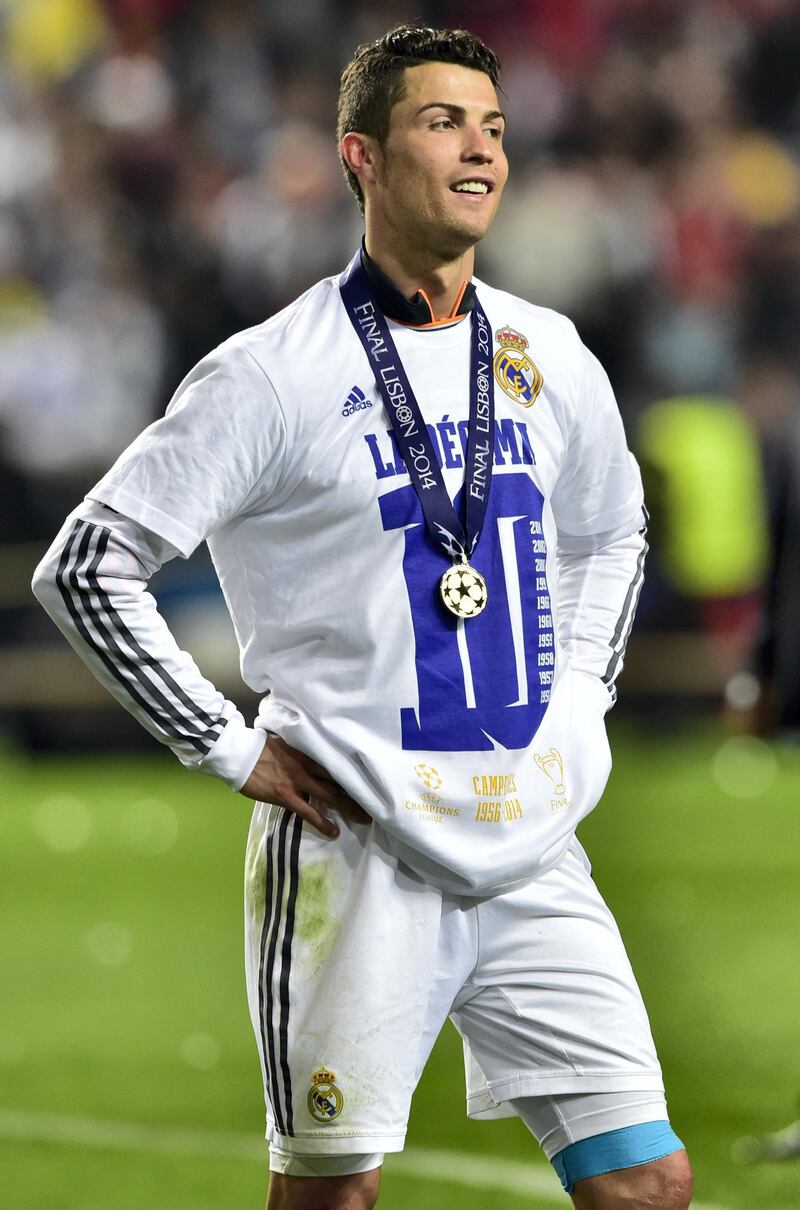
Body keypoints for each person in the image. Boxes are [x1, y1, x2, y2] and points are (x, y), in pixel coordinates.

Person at [32, 24, 692, 1210]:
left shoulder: (551, 353)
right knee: (333, 1195)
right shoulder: (270, 372)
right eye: (442, 123)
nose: (479, 150)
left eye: (491, 126)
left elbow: (613, 535)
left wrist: (583, 692)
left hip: (530, 836)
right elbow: (86, 566)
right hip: (359, 843)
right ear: (362, 157)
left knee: (644, 1180)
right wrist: (228, 745)